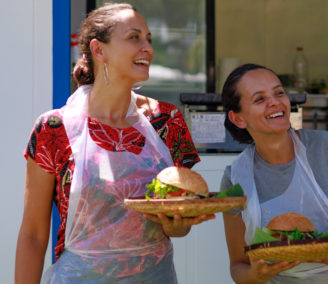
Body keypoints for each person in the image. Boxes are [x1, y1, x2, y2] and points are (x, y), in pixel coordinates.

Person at [15, 3, 214, 283]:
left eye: (149, 39)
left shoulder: (167, 122)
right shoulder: (54, 129)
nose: (147, 47)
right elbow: (33, 235)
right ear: (99, 50)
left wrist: (179, 224)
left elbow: (178, 226)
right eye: (134, 37)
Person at [219, 63, 328, 284]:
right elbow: (238, 265)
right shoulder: (235, 178)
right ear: (238, 118)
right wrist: (255, 276)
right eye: (260, 99)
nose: (275, 102)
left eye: (279, 93)